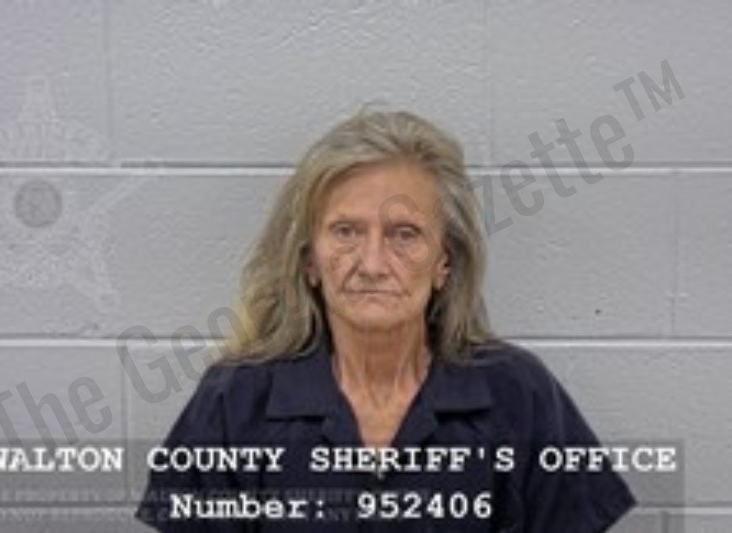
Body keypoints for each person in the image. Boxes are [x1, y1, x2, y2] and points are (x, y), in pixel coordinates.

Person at [135, 107, 637, 532]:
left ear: (444, 263)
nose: (372, 264)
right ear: (309, 261)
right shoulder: (234, 401)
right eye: (346, 232)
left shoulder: (518, 395)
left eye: (404, 234)